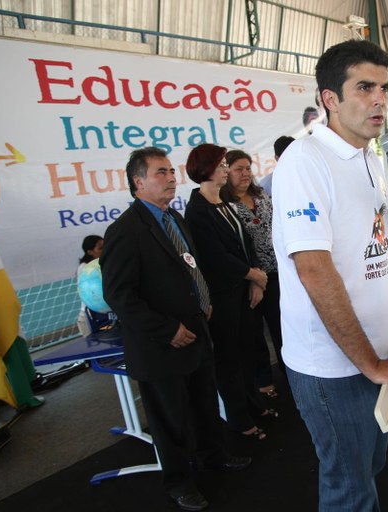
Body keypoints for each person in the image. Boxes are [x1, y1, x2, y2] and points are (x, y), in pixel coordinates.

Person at [271, 39, 388, 512]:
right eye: (365, 88)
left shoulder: (371, 157)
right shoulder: (305, 161)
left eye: (385, 89)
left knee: (369, 468)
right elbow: (313, 269)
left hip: (374, 351)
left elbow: (387, 245)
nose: (379, 100)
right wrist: (372, 365)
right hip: (334, 366)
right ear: (329, 98)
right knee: (350, 489)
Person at [100, 147, 250, 512]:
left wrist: (204, 299)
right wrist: (166, 330)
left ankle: (214, 456)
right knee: (170, 420)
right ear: (138, 182)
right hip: (161, 345)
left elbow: (191, 267)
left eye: (170, 171)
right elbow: (119, 295)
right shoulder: (124, 231)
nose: (171, 178)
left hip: (196, 333)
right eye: (160, 173)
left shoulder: (175, 219)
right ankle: (179, 483)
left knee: (204, 404)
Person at [183, 144, 275, 442]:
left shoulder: (223, 202)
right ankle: (239, 418)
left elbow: (246, 243)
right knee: (229, 359)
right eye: (221, 165)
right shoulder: (197, 210)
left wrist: (256, 280)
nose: (226, 169)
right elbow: (215, 256)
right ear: (205, 169)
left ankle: (254, 404)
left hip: (244, 290)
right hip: (223, 295)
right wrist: (254, 275)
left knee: (247, 351)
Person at [221, 149, 284, 397]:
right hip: (249, 278)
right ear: (227, 172)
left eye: (248, 168)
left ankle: (290, 372)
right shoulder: (224, 204)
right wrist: (252, 276)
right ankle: (264, 380)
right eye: (238, 169)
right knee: (255, 333)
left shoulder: (261, 195)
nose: (245, 173)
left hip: (276, 273)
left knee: (281, 326)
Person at [75, 234, 103, 336]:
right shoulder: (85, 268)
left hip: (104, 313)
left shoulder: (105, 263)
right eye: (100, 248)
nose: (105, 250)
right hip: (89, 316)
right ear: (90, 252)